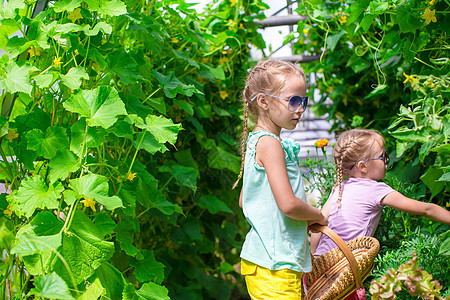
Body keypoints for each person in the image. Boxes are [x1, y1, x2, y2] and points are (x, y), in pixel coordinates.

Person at [310, 128, 450, 300]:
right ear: (363, 166)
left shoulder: (339, 188)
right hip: (345, 270)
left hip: (321, 271)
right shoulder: (375, 190)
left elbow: (319, 227)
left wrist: (316, 259)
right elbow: (426, 209)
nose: (387, 160)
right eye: (383, 156)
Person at [234, 59, 328, 299]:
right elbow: (288, 205)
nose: (301, 109)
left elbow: (246, 201)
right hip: (276, 265)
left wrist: (294, 221)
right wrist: (317, 215)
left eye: (303, 101)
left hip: (267, 263)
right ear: (264, 101)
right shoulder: (271, 145)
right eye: (293, 100)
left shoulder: (258, 141)